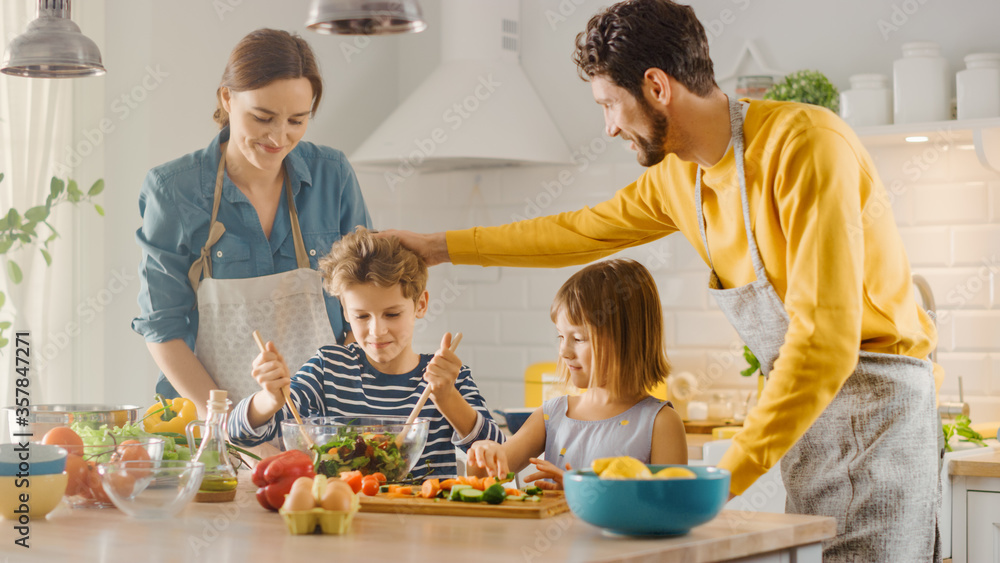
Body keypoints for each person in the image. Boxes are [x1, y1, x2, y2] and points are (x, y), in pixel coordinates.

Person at [381, 1, 942, 560]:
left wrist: (718, 478)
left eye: (609, 105)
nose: (608, 127)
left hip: (877, 421)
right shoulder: (681, 177)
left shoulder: (805, 146)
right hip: (809, 426)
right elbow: (573, 233)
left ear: (656, 86)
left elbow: (823, 344)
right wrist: (440, 248)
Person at [133, 29, 372, 418]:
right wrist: (234, 429)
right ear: (227, 98)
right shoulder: (173, 190)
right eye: (263, 118)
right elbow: (163, 329)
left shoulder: (333, 175)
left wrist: (329, 415)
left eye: (297, 120)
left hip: (321, 422)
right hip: (208, 424)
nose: (279, 137)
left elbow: (366, 301)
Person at [228, 227, 504, 479]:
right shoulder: (328, 369)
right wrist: (269, 399)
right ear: (345, 312)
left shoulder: (448, 378)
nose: (377, 331)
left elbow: (499, 453)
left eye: (392, 314)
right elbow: (239, 434)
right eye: (361, 316)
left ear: (420, 304)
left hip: (421, 525)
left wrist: (447, 397)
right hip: (341, 523)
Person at [466, 259, 686, 489]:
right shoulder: (552, 415)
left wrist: (580, 493)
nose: (563, 351)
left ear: (626, 341)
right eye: (561, 337)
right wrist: (483, 454)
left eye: (578, 339)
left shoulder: (660, 423)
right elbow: (486, 476)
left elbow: (670, 511)